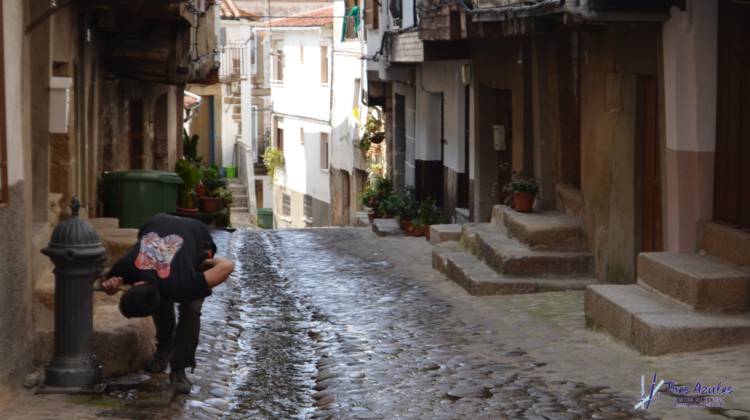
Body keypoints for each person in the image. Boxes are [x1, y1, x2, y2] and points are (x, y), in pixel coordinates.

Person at [101, 213, 234, 393]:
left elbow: (226, 266)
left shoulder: (184, 283)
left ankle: (179, 367)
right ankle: (165, 350)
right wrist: (110, 285)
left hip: (195, 232)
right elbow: (106, 283)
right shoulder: (126, 266)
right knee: (158, 297)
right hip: (157, 221)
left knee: (191, 308)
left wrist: (209, 261)